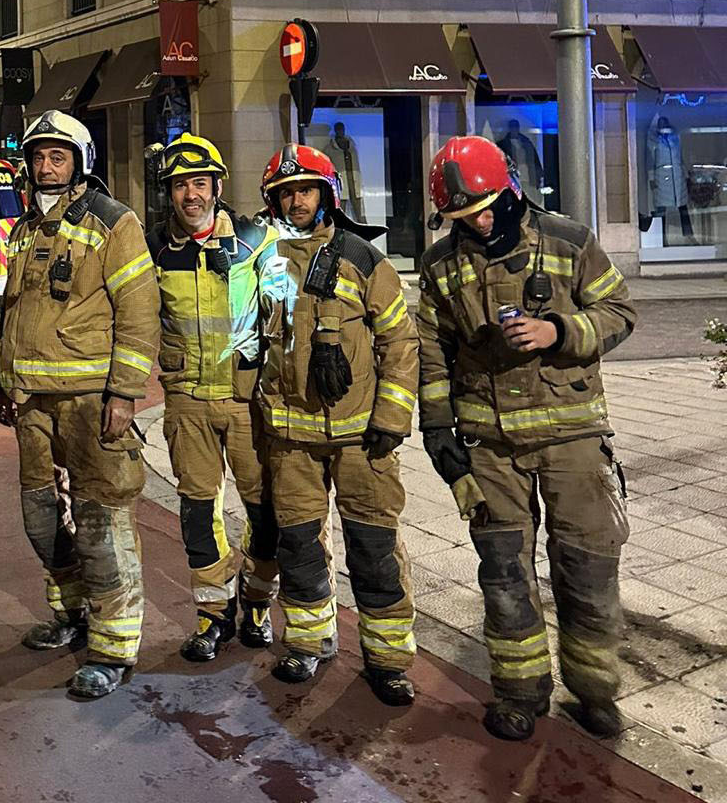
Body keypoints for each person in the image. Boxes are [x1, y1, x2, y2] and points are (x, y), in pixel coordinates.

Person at [417, 136, 636, 741]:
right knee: (504, 573)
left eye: (486, 209)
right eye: (463, 218)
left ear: (511, 189)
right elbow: (433, 355)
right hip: (489, 446)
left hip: (573, 435)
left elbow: (620, 310)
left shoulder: (569, 240)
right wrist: (439, 432)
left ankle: (594, 691)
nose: (479, 224)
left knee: (587, 566)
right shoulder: (440, 265)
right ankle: (519, 692)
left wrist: (559, 331)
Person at [0, 109, 159, 700]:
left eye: (57, 156)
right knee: (41, 517)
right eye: (38, 156)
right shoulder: (25, 227)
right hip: (32, 404)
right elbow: (14, 309)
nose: (45, 165)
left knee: (102, 522)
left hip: (91, 404)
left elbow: (139, 313)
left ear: (80, 161)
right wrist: (1, 378)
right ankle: (71, 613)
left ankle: (113, 648)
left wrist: (124, 392)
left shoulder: (115, 223)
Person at [254, 144, 419, 703]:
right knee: (299, 546)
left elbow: (400, 341)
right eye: (286, 192)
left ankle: (387, 657)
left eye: (306, 190)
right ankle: (307, 640)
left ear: (328, 196)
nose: (296, 200)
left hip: (360, 437)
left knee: (373, 546)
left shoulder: (362, 259)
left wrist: (392, 417)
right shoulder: (262, 260)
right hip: (290, 438)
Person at [147, 133, 279, 660]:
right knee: (198, 513)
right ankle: (213, 614)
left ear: (218, 186)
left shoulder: (257, 241)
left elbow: (286, 314)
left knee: (265, 511)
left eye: (199, 183)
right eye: (180, 186)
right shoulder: (156, 248)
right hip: (187, 403)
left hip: (247, 400)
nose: (190, 195)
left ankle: (257, 602)